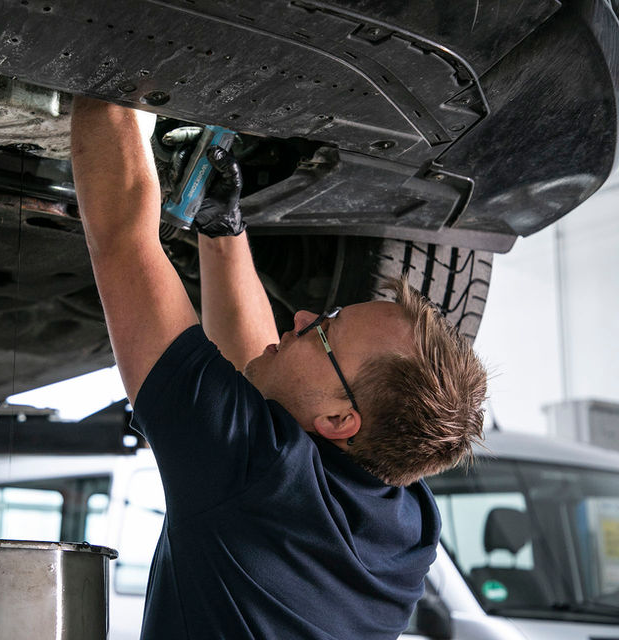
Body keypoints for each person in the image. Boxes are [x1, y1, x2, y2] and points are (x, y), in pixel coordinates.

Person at [70, 97, 488, 640]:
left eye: (323, 333)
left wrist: (110, 79)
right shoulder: (404, 521)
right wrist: (223, 231)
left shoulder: (267, 480)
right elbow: (264, 380)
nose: (305, 315)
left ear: (342, 421)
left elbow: (122, 238)